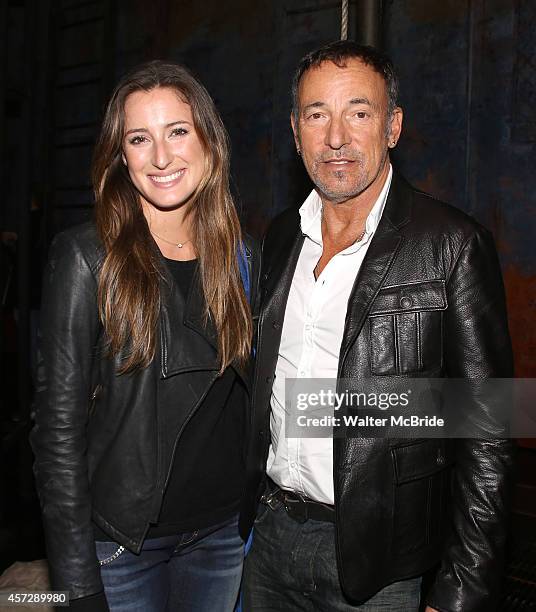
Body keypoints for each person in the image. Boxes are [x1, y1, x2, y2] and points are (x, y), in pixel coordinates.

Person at [242, 41, 513, 611]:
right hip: (268, 541)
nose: (335, 137)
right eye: (317, 114)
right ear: (296, 132)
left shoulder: (451, 246)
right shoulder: (280, 239)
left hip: (381, 564)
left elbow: (488, 433)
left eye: (358, 112)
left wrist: (460, 589)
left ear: (392, 126)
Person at [31, 60, 259, 612]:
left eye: (178, 131)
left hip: (221, 537)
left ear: (209, 140)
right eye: (140, 138)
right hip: (123, 548)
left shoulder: (242, 258)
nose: (161, 157)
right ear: (120, 156)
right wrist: (76, 580)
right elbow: (56, 433)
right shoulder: (86, 258)